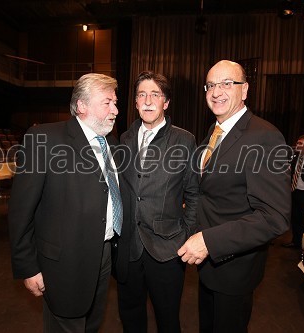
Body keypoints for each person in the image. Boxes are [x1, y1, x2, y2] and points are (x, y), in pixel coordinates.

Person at [177, 60, 291, 333]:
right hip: (209, 265)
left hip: (234, 268)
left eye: (227, 83)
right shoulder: (215, 131)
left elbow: (274, 217)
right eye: (211, 85)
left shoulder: (265, 136)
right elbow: (211, 191)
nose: (217, 92)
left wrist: (209, 241)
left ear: (245, 90)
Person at [8, 73, 122, 333]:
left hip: (103, 256)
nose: (115, 110)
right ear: (82, 106)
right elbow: (20, 210)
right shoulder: (44, 138)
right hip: (62, 264)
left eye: (115, 103)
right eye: (107, 102)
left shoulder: (112, 144)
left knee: (92, 323)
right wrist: (28, 267)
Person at [115, 71, 199, 333]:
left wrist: (184, 236)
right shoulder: (124, 139)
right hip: (129, 249)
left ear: (166, 102)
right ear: (136, 103)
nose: (148, 100)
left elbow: (194, 195)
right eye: (142, 95)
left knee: (168, 319)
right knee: (130, 316)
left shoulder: (184, 141)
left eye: (155, 94)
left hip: (166, 250)